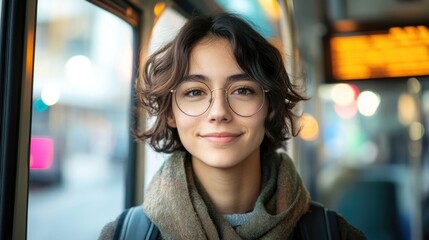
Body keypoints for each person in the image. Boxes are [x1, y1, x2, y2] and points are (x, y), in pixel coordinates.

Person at [99, 13, 366, 239]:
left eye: (242, 90)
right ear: (171, 114)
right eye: (194, 92)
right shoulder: (124, 234)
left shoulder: (334, 233)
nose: (218, 113)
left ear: (270, 106)